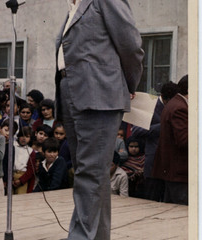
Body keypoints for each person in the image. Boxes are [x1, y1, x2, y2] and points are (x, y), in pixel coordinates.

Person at [54, 0, 144, 239]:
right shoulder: (72, 8)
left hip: (99, 93)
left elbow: (131, 44)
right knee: (90, 172)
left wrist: (129, 83)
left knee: (90, 173)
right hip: (71, 89)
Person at [132, 81, 179, 201]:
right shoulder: (150, 105)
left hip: (170, 164)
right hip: (153, 164)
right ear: (164, 98)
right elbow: (136, 131)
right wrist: (163, 126)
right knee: (151, 200)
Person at [151, 75, 188, 205]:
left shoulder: (174, 103)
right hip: (179, 172)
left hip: (173, 171)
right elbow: (184, 140)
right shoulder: (180, 108)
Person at [12, 127, 36, 194]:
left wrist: (21, 180)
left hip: (23, 177)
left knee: (21, 197)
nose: (24, 138)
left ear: (30, 138)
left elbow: (30, 170)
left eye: (27, 136)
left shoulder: (31, 151)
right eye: (22, 135)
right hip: (12, 176)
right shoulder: (13, 147)